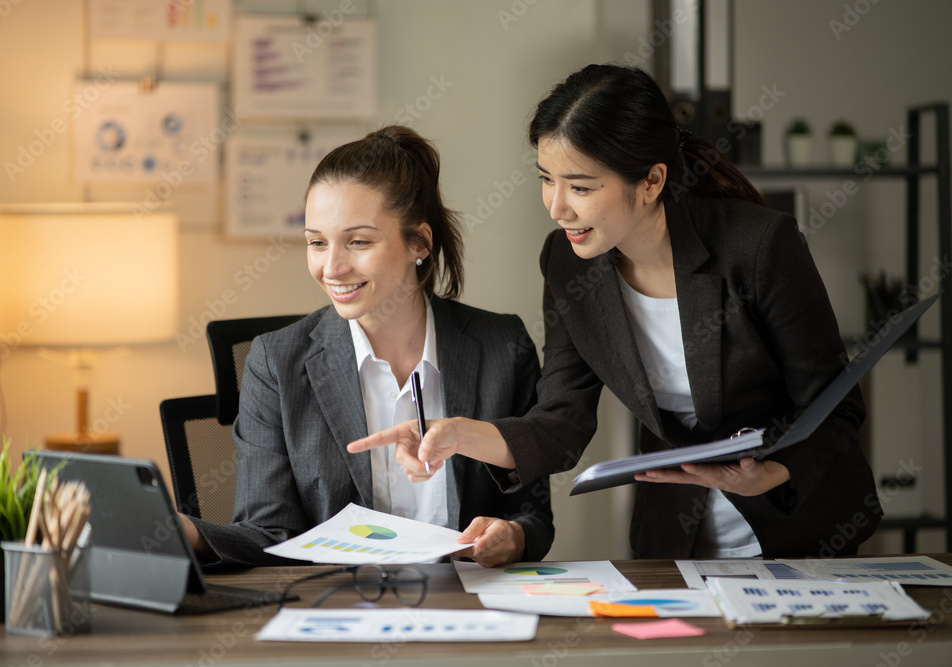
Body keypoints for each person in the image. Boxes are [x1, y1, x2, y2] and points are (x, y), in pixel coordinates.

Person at [349, 65, 881, 559]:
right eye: (545, 179)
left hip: (798, 523)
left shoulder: (759, 246)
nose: (557, 208)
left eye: (580, 187)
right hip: (676, 531)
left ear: (651, 181)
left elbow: (836, 407)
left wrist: (770, 473)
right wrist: (459, 435)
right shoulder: (568, 263)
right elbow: (561, 419)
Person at [180, 125, 554, 568]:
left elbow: (533, 515)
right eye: (317, 243)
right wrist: (190, 533)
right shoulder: (275, 362)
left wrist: (512, 536)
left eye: (358, 241)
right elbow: (268, 533)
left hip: (464, 609)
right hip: (338, 611)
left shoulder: (502, 348)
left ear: (419, 243)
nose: (332, 267)